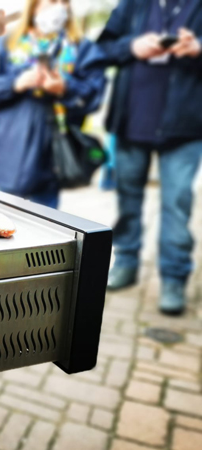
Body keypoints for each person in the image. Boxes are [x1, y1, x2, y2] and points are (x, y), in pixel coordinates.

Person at [96, 0, 202, 315]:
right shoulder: (133, 4)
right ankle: (126, 262)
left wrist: (198, 49)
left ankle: (173, 277)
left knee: (177, 203)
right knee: (128, 199)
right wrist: (133, 46)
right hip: (131, 122)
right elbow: (103, 48)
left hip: (185, 128)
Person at [0, 0, 106, 209]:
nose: (58, 7)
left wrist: (65, 88)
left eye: (64, 2)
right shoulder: (8, 44)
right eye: (52, 1)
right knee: (3, 226)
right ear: (35, 6)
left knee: (46, 225)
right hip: (9, 155)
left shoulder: (81, 48)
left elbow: (94, 96)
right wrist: (16, 83)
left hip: (51, 158)